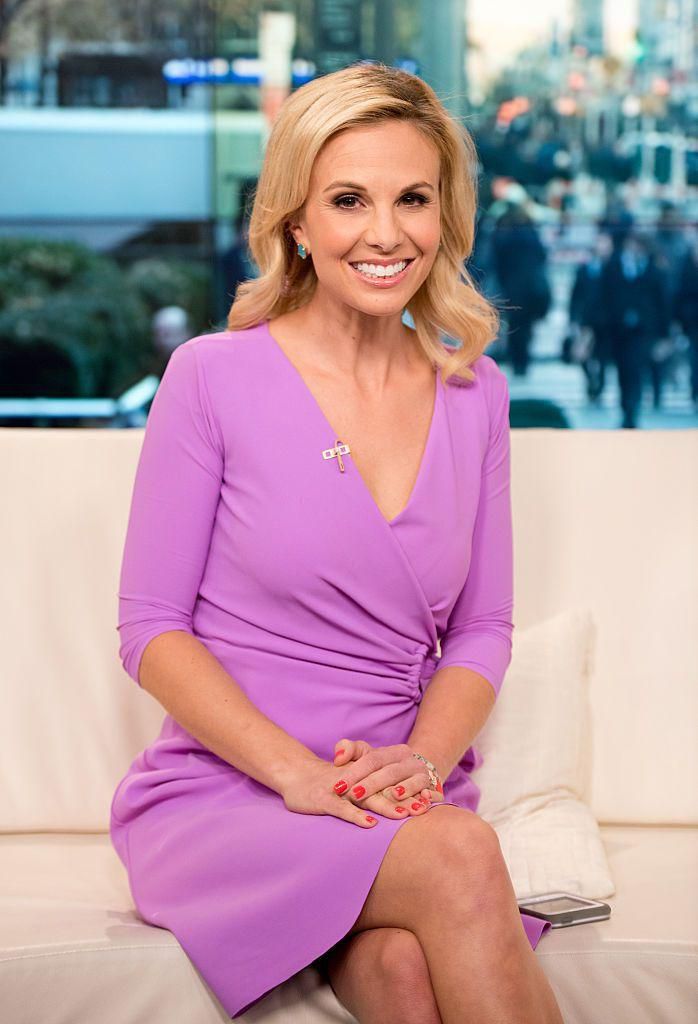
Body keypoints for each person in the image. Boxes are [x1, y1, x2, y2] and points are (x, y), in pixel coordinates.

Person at [110, 63, 564, 1023]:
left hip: (396, 793)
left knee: (404, 971)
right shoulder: (210, 376)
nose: (386, 233)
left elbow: (482, 630)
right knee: (461, 855)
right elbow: (151, 629)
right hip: (233, 793)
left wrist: (424, 763)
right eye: (350, 200)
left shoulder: (474, 393)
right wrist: (300, 776)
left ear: (447, 216)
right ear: (296, 222)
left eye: (413, 199)